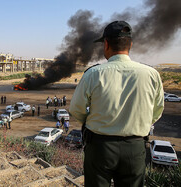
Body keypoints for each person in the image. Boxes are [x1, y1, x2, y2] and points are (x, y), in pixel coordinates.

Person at [69, 21, 164, 187]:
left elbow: (76, 109)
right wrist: (139, 123)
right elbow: (157, 111)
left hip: (100, 146)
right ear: (131, 45)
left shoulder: (93, 74)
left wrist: (90, 121)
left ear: (106, 44)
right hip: (135, 147)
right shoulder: (151, 74)